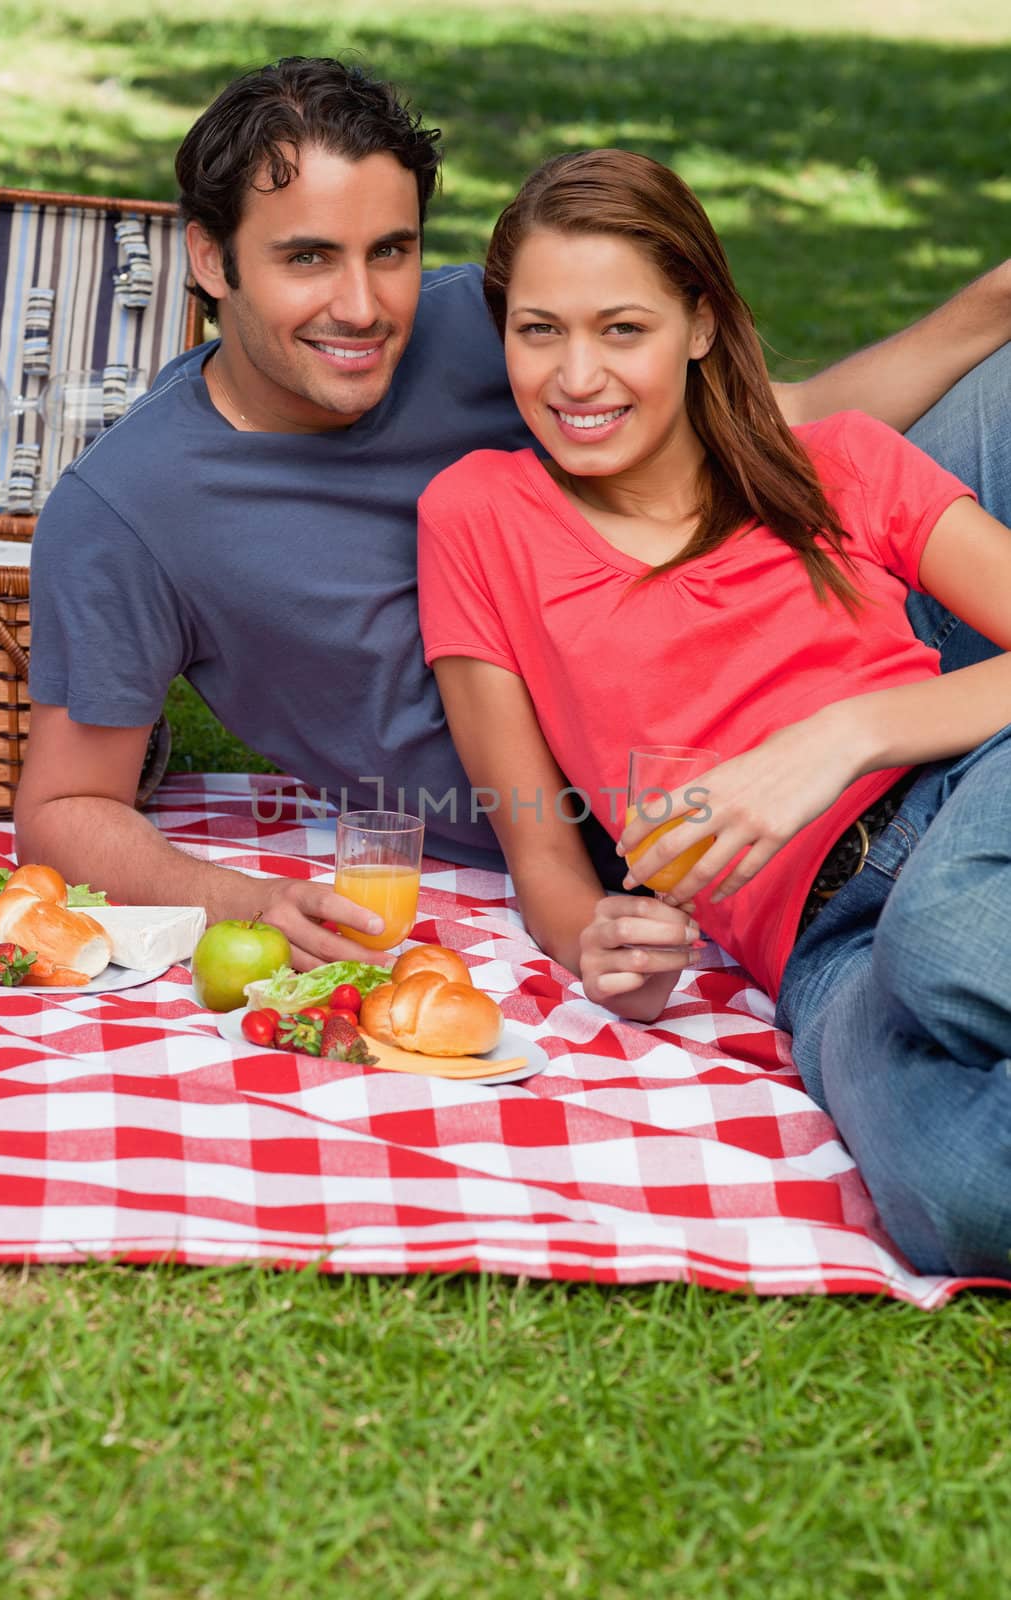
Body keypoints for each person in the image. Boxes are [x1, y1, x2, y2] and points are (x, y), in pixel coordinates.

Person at [17, 54, 1011, 975]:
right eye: (308, 258)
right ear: (209, 258)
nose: (361, 307)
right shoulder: (126, 512)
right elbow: (65, 807)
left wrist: (990, 307)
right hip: (621, 830)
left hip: (817, 669)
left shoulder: (491, 326)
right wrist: (243, 897)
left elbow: (765, 431)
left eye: (392, 250)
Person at [415, 148, 1011, 1277]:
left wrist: (839, 735)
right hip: (818, 955)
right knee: (957, 1197)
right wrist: (597, 940)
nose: (575, 376)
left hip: (961, 809)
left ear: (697, 323)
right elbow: (541, 853)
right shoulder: (475, 517)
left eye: (620, 329)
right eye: (538, 330)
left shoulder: (837, 464)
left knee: (944, 953)